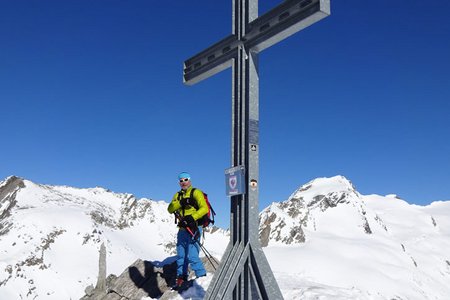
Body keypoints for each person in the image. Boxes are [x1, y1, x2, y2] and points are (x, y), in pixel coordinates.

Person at [167, 172, 208, 288]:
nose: (183, 182)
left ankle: (202, 277)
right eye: (181, 180)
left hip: (194, 227)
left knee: (192, 255)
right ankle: (181, 277)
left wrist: (192, 217)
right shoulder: (177, 195)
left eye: (186, 179)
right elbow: (170, 209)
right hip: (182, 229)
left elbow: (204, 208)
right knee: (181, 255)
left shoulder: (196, 192)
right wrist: (180, 202)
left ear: (190, 180)